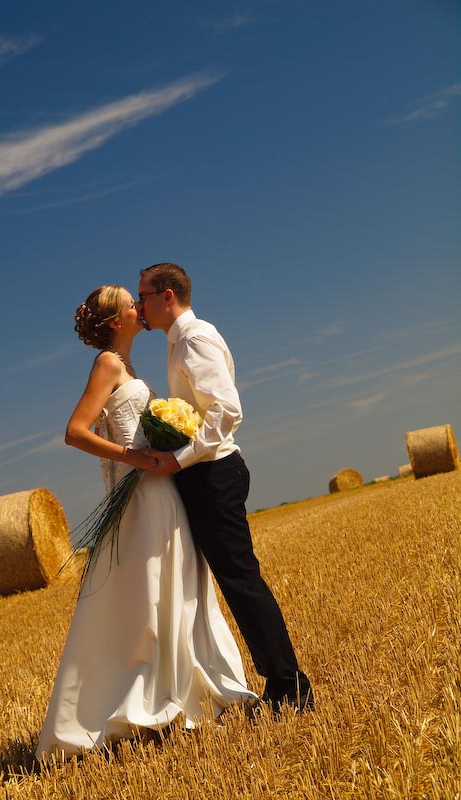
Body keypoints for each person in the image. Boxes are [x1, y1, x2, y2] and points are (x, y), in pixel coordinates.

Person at [36, 285, 256, 760]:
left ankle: (182, 690)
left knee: (178, 584)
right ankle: (145, 697)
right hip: (139, 495)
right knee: (150, 588)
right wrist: (132, 457)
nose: (139, 306)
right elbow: (75, 432)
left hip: (162, 490)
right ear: (116, 321)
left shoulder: (130, 366)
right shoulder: (107, 364)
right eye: (129, 302)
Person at [135, 263, 314, 713]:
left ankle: (291, 687)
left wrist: (177, 458)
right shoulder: (180, 342)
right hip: (206, 475)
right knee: (235, 583)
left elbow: (227, 410)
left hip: (214, 475)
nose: (140, 306)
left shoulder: (194, 339)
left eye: (144, 296)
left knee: (241, 581)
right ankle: (279, 682)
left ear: (168, 296)